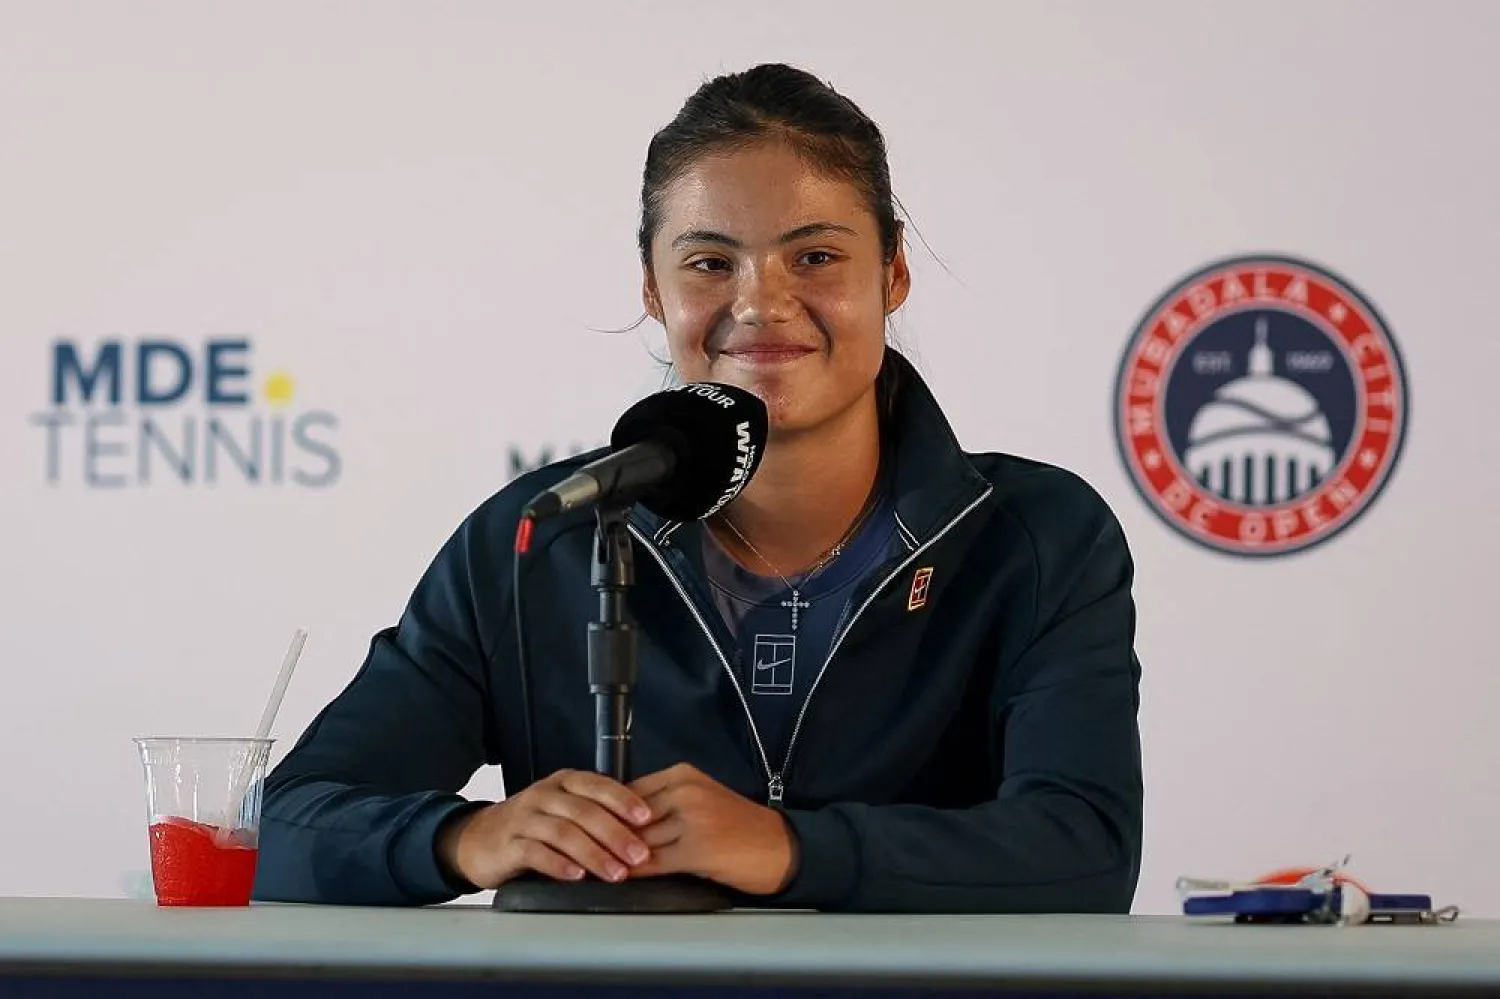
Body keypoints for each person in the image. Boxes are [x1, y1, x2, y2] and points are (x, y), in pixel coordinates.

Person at [252, 63, 1144, 913]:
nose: (760, 303)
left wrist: (788, 848)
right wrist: (469, 839)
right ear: (653, 286)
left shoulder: (1035, 534)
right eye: (710, 263)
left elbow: (1085, 848)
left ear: (893, 272)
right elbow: (279, 827)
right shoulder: (542, 537)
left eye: (816, 257)